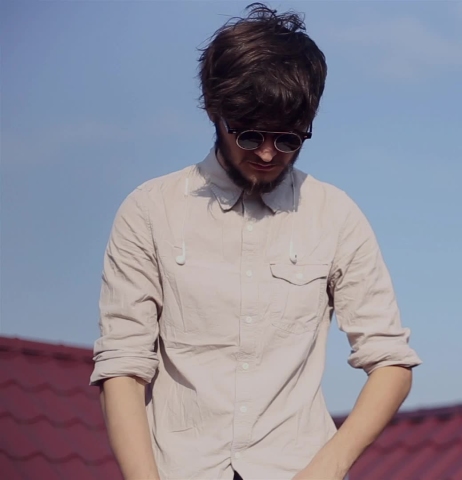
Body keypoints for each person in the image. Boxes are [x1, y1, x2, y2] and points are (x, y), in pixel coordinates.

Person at [89, 4, 422, 479]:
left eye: (288, 139)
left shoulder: (335, 215)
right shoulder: (149, 210)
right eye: (249, 135)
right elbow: (123, 363)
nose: (267, 153)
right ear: (212, 109)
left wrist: (325, 468)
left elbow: (391, 362)